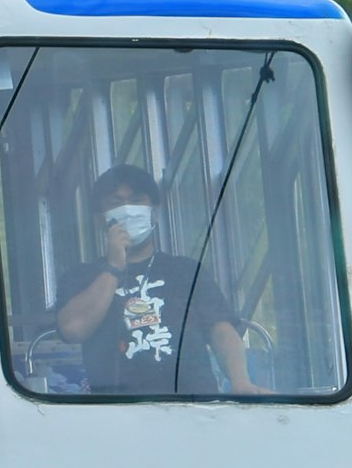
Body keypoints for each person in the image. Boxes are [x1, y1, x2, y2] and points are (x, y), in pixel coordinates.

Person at [51, 165, 253, 394]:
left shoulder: (185, 271)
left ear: (154, 211)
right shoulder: (80, 277)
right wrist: (114, 267)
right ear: (99, 219)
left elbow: (221, 330)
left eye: (137, 200)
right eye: (116, 203)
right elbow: (73, 329)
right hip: (115, 413)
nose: (128, 209)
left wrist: (240, 381)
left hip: (193, 406)